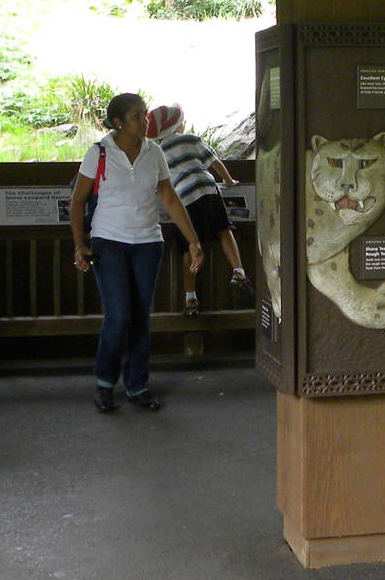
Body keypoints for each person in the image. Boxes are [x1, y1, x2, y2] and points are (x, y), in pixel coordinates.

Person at [69, 94, 204, 413]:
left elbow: (169, 197)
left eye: (144, 115)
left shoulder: (154, 151)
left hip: (148, 241)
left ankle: (137, 385)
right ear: (118, 122)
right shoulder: (99, 152)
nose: (145, 121)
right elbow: (77, 201)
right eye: (137, 116)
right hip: (109, 241)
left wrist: (193, 240)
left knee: (141, 317)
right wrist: (79, 244)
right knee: (118, 316)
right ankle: (105, 384)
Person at [147, 103, 250, 315]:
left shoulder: (156, 152)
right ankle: (238, 272)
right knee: (224, 230)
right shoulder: (190, 139)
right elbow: (214, 161)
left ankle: (190, 298)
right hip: (206, 190)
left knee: (189, 248)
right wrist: (228, 180)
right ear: (177, 126)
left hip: (183, 200)